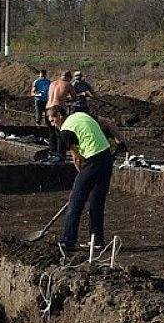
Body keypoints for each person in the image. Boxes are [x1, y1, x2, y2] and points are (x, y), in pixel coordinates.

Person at [47, 104, 114, 255]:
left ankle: (68, 240)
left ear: (59, 116)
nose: (52, 124)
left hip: (93, 160)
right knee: (97, 200)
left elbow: (77, 157)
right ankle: (96, 240)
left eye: (52, 120)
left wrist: (81, 176)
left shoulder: (66, 130)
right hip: (106, 158)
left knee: (76, 200)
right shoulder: (80, 115)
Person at [44, 71, 74, 163]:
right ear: (69, 77)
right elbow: (75, 97)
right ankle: (60, 154)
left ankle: (52, 152)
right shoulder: (68, 84)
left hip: (47, 109)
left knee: (52, 133)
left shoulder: (52, 83)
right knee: (61, 133)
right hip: (58, 109)